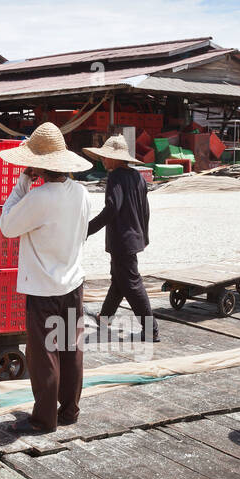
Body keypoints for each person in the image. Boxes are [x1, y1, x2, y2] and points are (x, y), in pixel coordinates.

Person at [0, 123, 93, 434]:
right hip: (72, 282)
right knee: (69, 348)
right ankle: (70, 411)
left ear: (39, 166)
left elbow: (8, 225)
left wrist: (22, 182)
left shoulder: (40, 198)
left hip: (43, 287)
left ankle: (44, 419)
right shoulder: (80, 193)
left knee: (44, 354)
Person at [82, 135, 157, 342]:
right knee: (119, 280)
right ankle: (105, 318)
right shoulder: (138, 177)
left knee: (132, 284)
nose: (103, 161)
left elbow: (112, 208)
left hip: (123, 241)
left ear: (116, 159)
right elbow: (145, 210)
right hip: (133, 238)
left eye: (106, 157)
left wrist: (86, 229)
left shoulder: (115, 177)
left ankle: (152, 329)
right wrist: (144, 235)